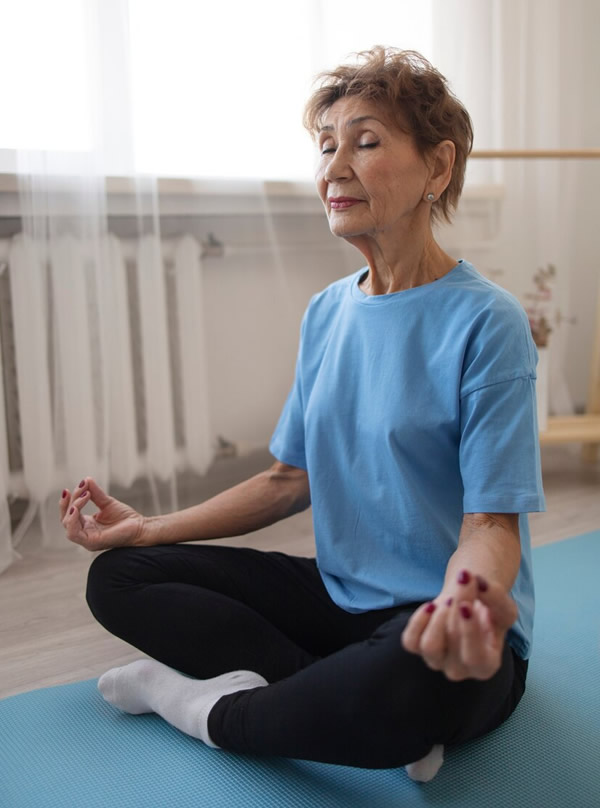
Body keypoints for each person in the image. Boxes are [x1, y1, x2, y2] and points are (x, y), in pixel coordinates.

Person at [60, 47, 545, 780]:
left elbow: (490, 525)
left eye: (366, 141)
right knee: (120, 578)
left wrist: (459, 602)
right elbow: (289, 480)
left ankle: (198, 708)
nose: (333, 168)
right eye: (325, 146)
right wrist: (147, 527)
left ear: (438, 167)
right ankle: (350, 704)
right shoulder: (326, 313)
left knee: (418, 675)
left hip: (440, 619)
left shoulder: (488, 322)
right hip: (337, 598)